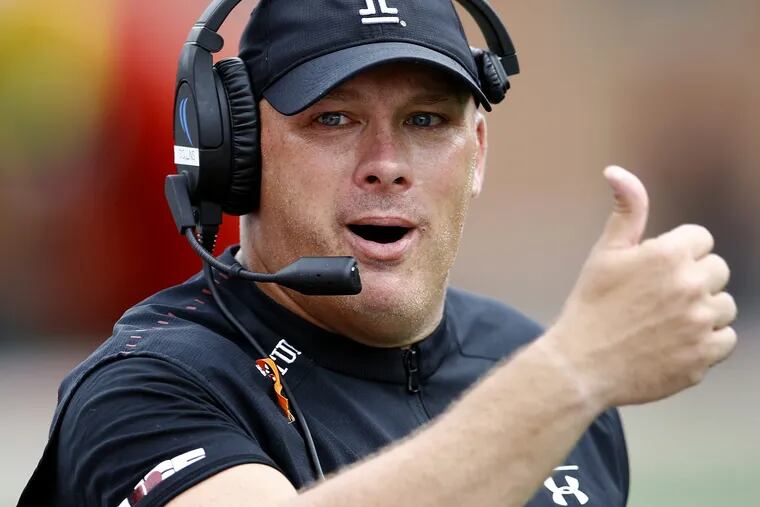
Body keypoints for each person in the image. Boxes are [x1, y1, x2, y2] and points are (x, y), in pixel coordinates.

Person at [19, 1, 737, 506]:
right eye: (334, 118)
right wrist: (575, 371)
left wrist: (568, 374)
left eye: (425, 120)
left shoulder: (529, 360)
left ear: (477, 152)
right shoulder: (146, 385)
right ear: (239, 154)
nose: (387, 164)